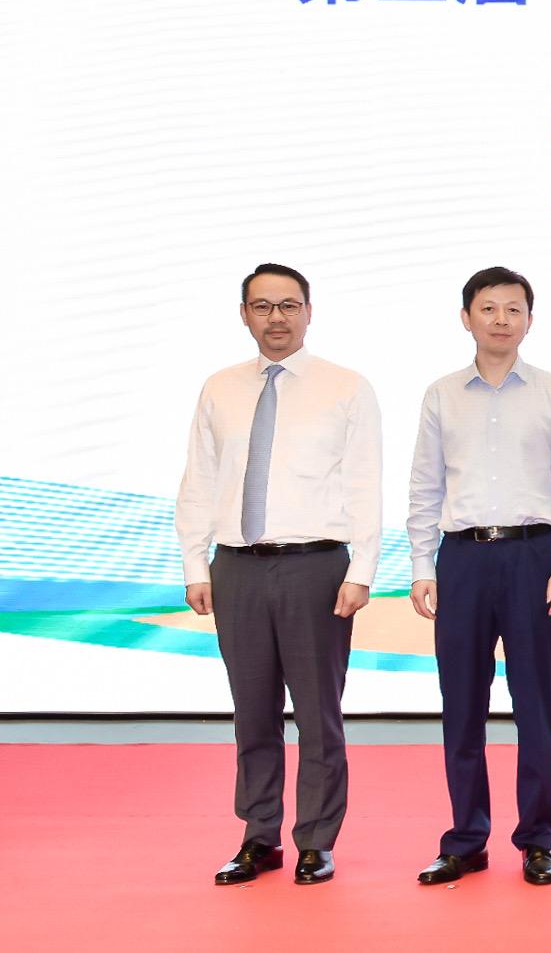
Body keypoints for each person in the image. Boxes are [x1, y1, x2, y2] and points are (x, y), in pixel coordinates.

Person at [176, 263, 381, 887]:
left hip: (316, 568)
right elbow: (199, 479)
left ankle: (316, 840)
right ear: (244, 314)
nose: (277, 318)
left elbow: (364, 483)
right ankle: (258, 836)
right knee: (252, 713)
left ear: (309, 312)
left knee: (319, 715)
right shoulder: (219, 388)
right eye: (262, 306)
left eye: (289, 305)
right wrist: (195, 563)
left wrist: (362, 570)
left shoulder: (346, 387)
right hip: (237, 568)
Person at [407, 267, 551, 887]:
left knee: (535, 706)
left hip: (534, 558)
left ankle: (538, 840)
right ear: (467, 318)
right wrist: (422, 565)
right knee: (461, 706)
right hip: (461, 559)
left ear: (529, 320)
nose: (501, 320)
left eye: (514, 309)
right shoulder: (441, 395)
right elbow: (425, 486)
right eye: (488, 308)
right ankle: (466, 839)